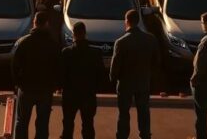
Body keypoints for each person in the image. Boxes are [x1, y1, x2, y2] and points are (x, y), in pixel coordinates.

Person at [110, 9, 160, 139]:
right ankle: (145, 134)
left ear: (127, 21)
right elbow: (156, 62)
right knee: (143, 111)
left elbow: (115, 65)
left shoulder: (121, 42)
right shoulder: (150, 39)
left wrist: (113, 79)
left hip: (125, 82)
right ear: (138, 21)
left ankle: (122, 135)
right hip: (143, 81)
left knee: (124, 113)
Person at [12, 10, 60, 139]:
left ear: (34, 23)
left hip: (26, 88)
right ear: (47, 24)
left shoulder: (24, 43)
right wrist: (54, 85)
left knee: (22, 122)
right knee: (42, 124)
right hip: (45, 90)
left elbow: (15, 66)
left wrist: (18, 83)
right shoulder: (53, 45)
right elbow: (57, 68)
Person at [60, 21, 105, 139]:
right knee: (88, 125)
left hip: (70, 94)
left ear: (73, 34)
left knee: (68, 125)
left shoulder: (66, 53)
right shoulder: (95, 53)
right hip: (88, 94)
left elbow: (61, 74)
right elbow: (101, 74)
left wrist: (62, 87)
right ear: (85, 33)